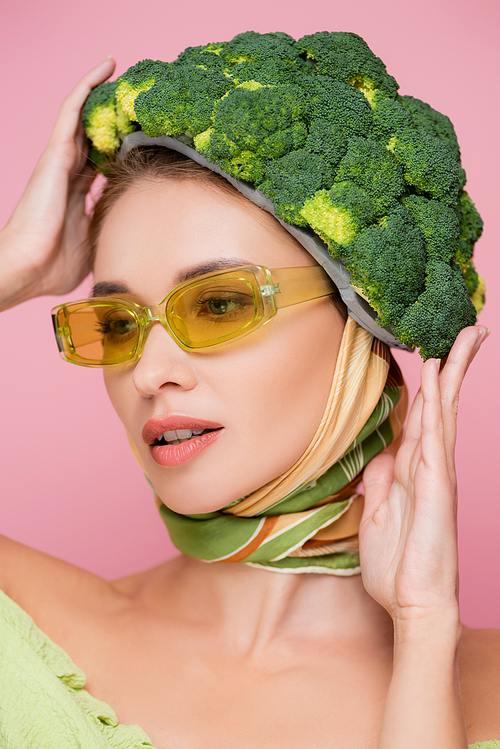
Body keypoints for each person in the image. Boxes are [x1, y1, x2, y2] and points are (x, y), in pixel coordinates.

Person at [0, 32, 499, 749]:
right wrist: (12, 269)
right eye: (115, 322)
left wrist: (424, 629)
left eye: (219, 305)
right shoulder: (20, 620)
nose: (148, 373)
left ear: (360, 318)